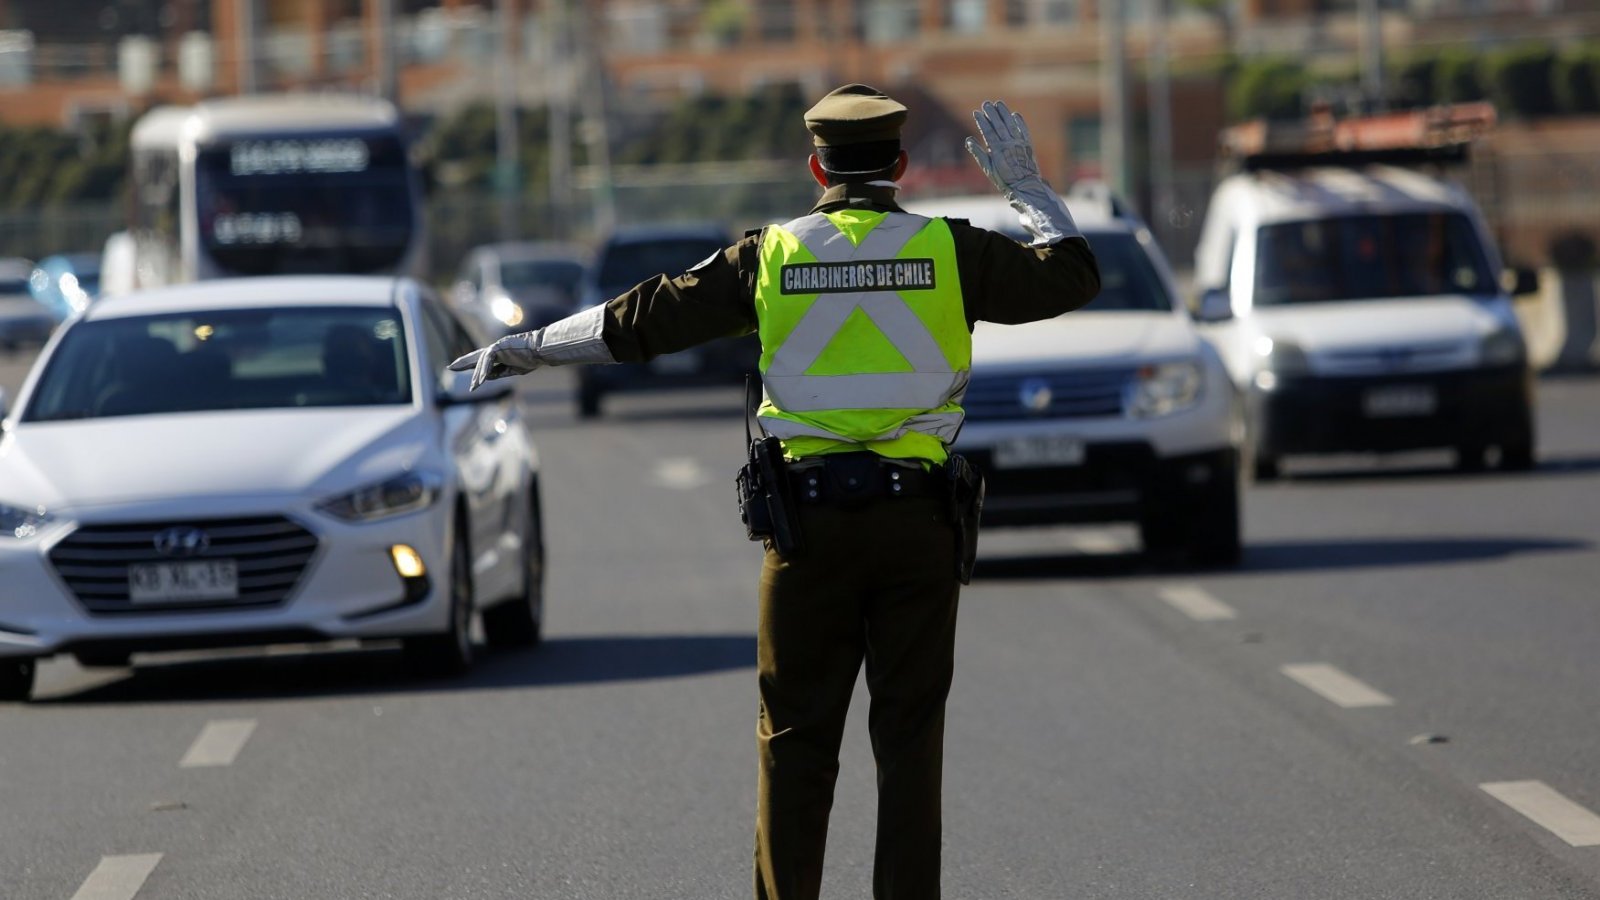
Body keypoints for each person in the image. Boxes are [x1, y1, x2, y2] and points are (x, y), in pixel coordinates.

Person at [449, 84, 1101, 900]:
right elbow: (1072, 275)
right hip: (917, 530)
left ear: (814, 165)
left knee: (793, 744)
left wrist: (528, 349)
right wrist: (1026, 186)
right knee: (909, 745)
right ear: (899, 164)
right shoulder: (951, 251)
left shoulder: (771, 255)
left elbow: (644, 318)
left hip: (808, 533)